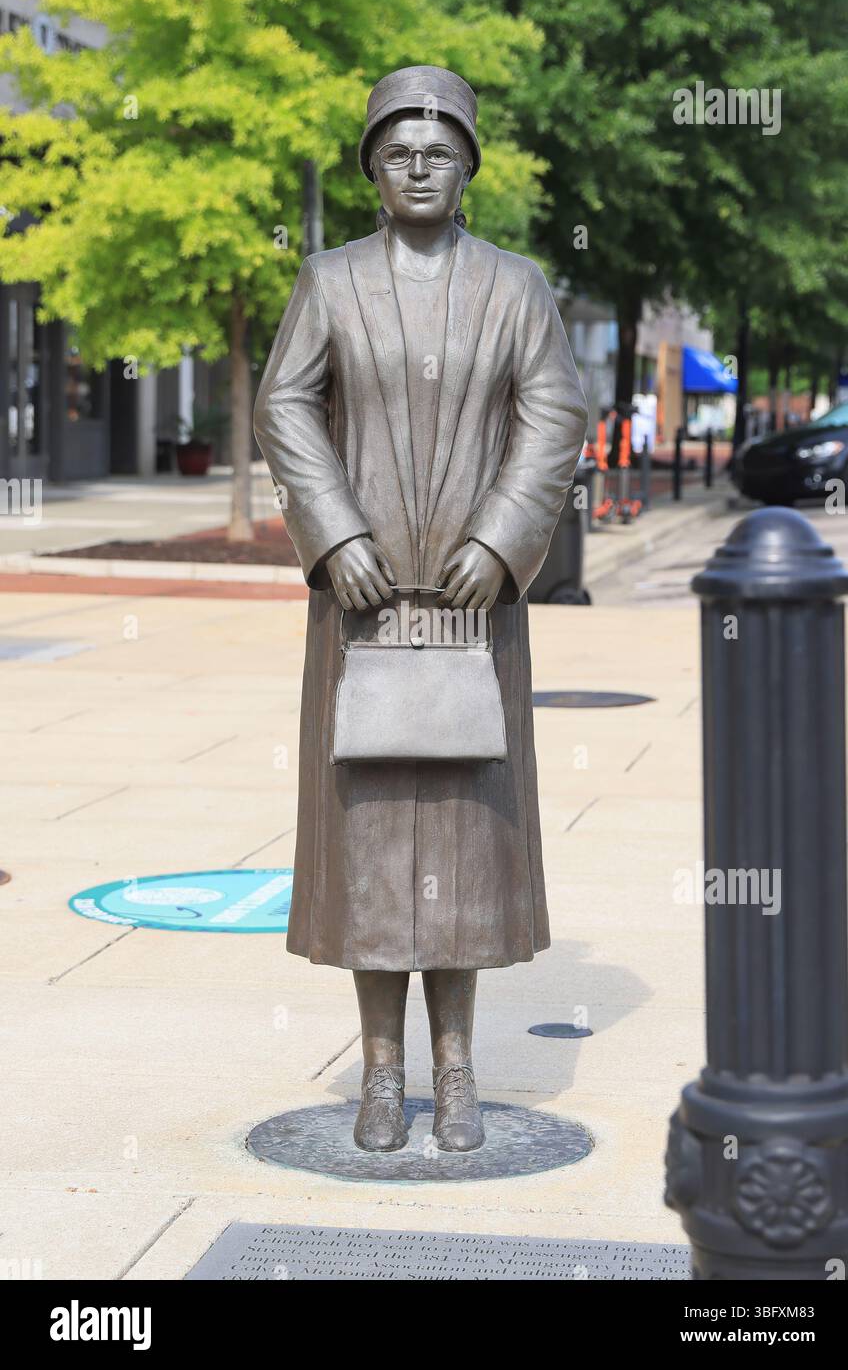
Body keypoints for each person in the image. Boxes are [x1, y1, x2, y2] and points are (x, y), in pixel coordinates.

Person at [253, 66, 587, 1153]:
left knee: (463, 841)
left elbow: (553, 414)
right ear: (372, 167)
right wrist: (335, 532)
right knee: (366, 848)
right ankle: (379, 1071)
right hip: (358, 604)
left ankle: (455, 1067)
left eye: (437, 148)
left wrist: (499, 538)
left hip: (472, 603)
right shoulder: (330, 280)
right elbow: (285, 403)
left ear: (467, 164)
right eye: (397, 149)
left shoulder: (516, 286)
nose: (417, 165)